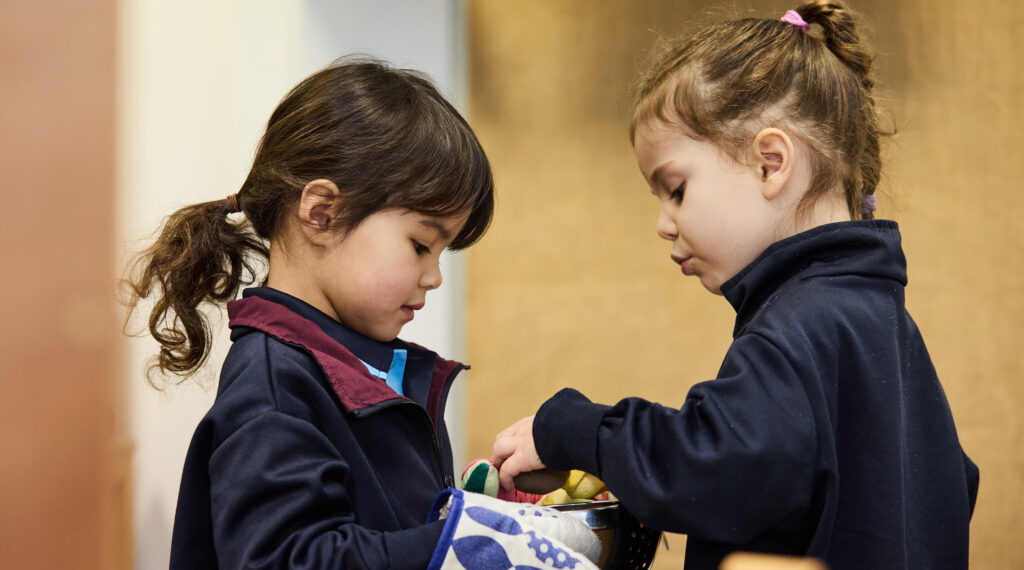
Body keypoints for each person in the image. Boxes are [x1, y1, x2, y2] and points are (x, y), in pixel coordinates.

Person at [490, 2, 979, 569]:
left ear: (770, 163)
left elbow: (712, 466)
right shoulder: (885, 327)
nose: (663, 223)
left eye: (676, 189)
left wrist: (575, 431)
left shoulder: (797, 327)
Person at [125, 58, 498, 568]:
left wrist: (473, 513)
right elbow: (292, 559)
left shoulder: (353, 369)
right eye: (419, 246)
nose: (434, 277)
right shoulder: (274, 388)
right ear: (322, 214)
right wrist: (468, 544)